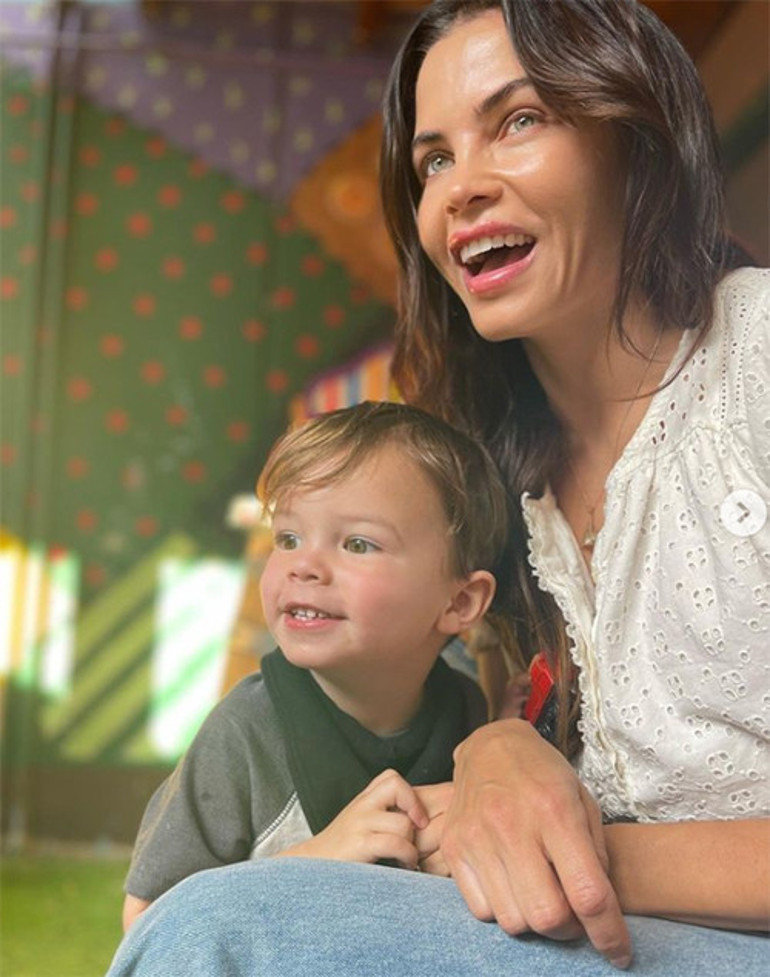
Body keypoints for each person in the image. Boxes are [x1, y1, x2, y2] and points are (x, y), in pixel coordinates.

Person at [106, 1, 769, 974]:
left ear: (634, 140)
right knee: (209, 916)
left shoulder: (751, 365)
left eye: (517, 120)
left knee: (220, 932)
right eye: (432, 161)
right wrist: (494, 750)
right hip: (612, 940)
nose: (460, 188)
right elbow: (515, 714)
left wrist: (568, 844)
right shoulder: (490, 483)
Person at [121, 400, 507, 930]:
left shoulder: (467, 714)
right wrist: (319, 858)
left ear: (460, 603)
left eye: (356, 543)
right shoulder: (244, 737)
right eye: (289, 538)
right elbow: (150, 926)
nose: (303, 565)